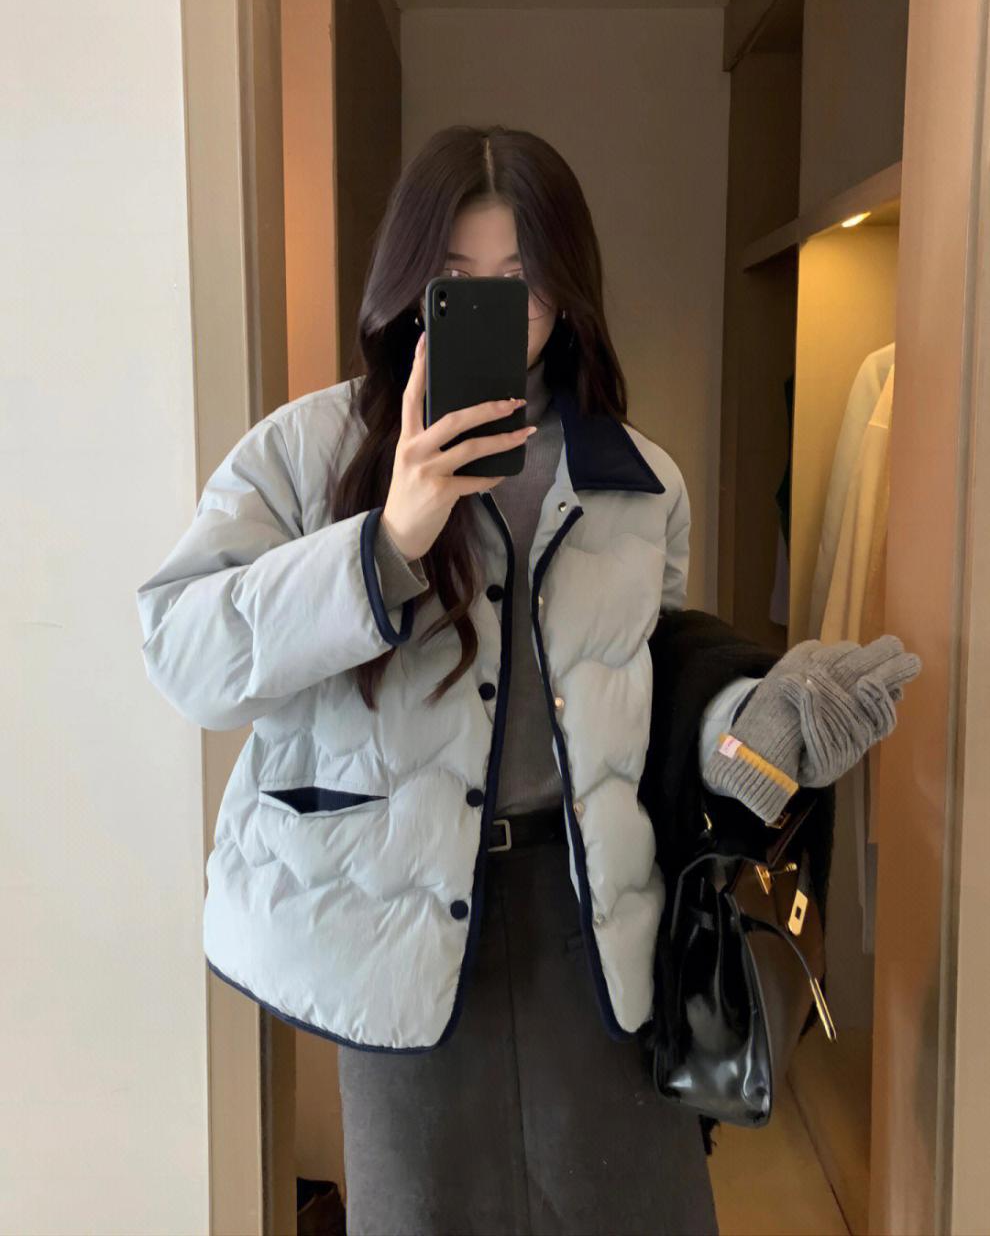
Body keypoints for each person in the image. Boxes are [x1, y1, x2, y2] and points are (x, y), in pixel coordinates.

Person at [137, 122, 751, 1234]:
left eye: (523, 279)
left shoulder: (640, 481)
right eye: (459, 279)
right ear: (413, 285)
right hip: (393, 920)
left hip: (588, 917)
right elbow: (184, 653)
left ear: (568, 290)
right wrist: (386, 541)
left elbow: (644, 688)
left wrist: (747, 722)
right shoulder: (312, 450)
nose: (496, 308)